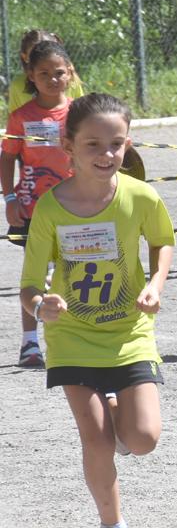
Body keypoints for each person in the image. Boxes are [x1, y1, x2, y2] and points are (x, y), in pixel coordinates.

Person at [20, 92, 175, 528]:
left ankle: (120, 412)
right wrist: (41, 305)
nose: (106, 155)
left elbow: (163, 241)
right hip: (72, 337)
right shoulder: (50, 208)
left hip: (129, 334)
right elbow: (28, 285)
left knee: (143, 439)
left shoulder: (141, 196)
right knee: (97, 439)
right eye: (93, 144)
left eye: (116, 144)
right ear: (68, 145)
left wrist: (154, 283)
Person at [2, 40, 76, 367]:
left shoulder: (80, 112)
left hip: (75, 206)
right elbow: (7, 159)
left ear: (70, 74)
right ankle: (30, 344)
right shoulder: (20, 117)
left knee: (73, 271)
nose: (52, 78)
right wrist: (10, 197)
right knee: (34, 275)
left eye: (58, 72)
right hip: (32, 209)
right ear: (31, 76)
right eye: (43, 73)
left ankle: (75, 337)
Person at [6, 29, 85, 114]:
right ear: (25, 57)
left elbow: (83, 115)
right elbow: (15, 120)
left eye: (49, 52)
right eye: (35, 55)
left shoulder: (71, 81)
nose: (45, 59)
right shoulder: (18, 85)